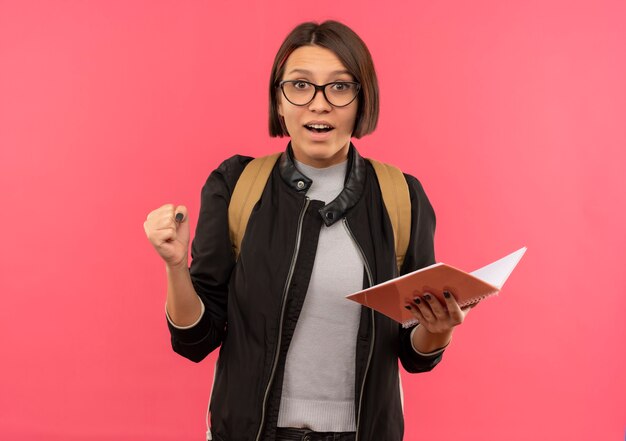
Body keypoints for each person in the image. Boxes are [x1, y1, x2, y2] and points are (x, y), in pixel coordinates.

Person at [143, 20, 473, 441]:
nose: (319, 104)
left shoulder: (401, 196)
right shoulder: (237, 185)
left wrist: (440, 327)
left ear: (361, 100)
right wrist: (175, 267)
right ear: (278, 101)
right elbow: (196, 341)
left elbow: (414, 353)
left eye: (339, 87)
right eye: (300, 86)